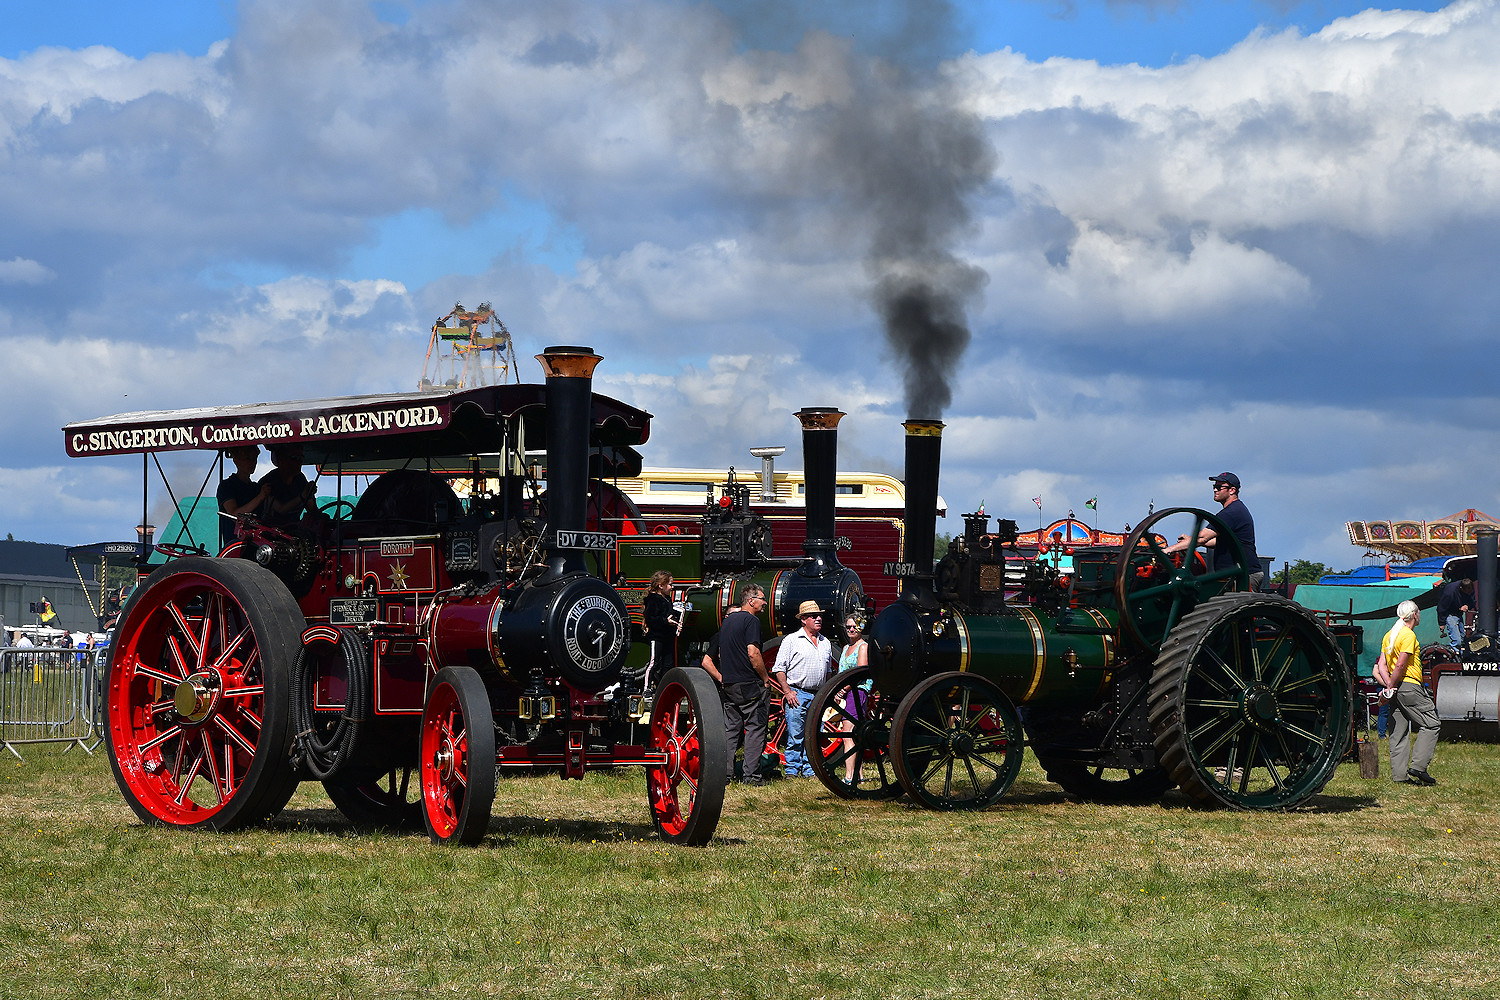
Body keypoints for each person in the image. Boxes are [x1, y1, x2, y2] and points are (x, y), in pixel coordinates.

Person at [1374, 599, 1440, 786]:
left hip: (1396, 689)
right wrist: (1393, 684)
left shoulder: (1389, 635)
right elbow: (1401, 665)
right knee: (1432, 724)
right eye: (1419, 612)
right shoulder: (1408, 635)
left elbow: (1381, 665)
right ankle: (1418, 767)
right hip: (1409, 686)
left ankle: (1400, 776)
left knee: (1398, 732)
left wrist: (1389, 686)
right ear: (1415, 615)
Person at [1164, 472, 1263, 590]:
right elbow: (1220, 541)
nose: (1215, 490)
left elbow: (1202, 538)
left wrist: (1168, 550)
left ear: (1232, 490)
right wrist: (1190, 540)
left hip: (1243, 576)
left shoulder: (1232, 513)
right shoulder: (1235, 510)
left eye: (1219, 487)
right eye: (1214, 486)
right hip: (1236, 575)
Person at [717, 584, 774, 786]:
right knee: (756, 728)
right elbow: (753, 653)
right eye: (762, 599)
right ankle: (751, 776)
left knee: (731, 730)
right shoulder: (751, 620)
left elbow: (721, 653)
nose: (765, 603)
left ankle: (725, 775)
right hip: (748, 683)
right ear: (751, 601)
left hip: (729, 683)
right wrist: (765, 678)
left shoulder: (728, 621)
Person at [774, 600, 835, 777]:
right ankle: (792, 770)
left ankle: (810, 769)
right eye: (814, 616)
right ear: (803, 619)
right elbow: (779, 669)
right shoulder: (791, 640)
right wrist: (787, 692)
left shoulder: (825, 642)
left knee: (815, 734)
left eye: (819, 616)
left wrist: (827, 694)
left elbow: (829, 671)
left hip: (819, 695)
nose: (818, 619)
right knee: (796, 735)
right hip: (797, 693)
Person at [216, 445, 272, 550]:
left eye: (254, 459)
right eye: (247, 459)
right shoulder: (227, 486)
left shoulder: (256, 488)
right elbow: (234, 514)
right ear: (236, 461)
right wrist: (260, 497)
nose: (252, 463)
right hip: (236, 546)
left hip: (258, 546)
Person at [837, 615, 870, 785]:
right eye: (848, 626)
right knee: (854, 735)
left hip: (857, 692)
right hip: (845, 692)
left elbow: (860, 674)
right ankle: (859, 774)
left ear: (861, 628)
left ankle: (849, 776)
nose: (851, 629)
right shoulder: (845, 647)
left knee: (848, 734)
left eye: (854, 626)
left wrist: (843, 690)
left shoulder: (863, 647)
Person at [259, 443, 319, 527]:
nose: (299, 462)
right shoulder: (268, 482)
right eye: (295, 458)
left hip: (294, 529)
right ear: (281, 460)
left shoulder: (300, 479)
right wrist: (302, 496)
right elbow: (281, 510)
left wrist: (310, 494)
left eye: (301, 458)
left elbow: (312, 509)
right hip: (271, 530)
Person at [642, 570, 683, 683]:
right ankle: (646, 687)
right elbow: (650, 619)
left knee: (668, 664)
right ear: (661, 586)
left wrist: (676, 624)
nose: (672, 587)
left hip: (668, 636)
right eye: (670, 584)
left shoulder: (667, 599)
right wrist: (665, 621)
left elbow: (669, 615)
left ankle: (665, 686)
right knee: (654, 663)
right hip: (657, 636)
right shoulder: (653, 599)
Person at [1436, 577, 1474, 651]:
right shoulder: (1450, 592)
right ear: (1461, 588)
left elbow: (1472, 601)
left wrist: (1467, 605)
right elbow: (1441, 608)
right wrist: (1442, 623)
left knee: (1463, 638)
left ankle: (1461, 654)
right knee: (1457, 641)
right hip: (1449, 614)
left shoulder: (1469, 588)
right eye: (1467, 592)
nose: (1469, 593)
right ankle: (1453, 654)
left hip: (1458, 614)